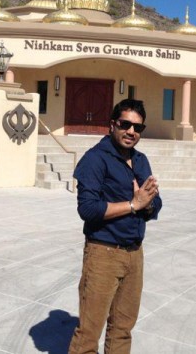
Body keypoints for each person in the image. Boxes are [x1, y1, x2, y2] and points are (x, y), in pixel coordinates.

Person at [68, 99, 162, 354]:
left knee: (122, 330)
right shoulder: (95, 160)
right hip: (103, 254)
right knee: (89, 333)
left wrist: (147, 203)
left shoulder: (140, 161)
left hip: (134, 254)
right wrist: (134, 204)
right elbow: (87, 209)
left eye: (138, 128)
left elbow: (156, 203)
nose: (131, 132)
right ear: (113, 125)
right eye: (126, 124)